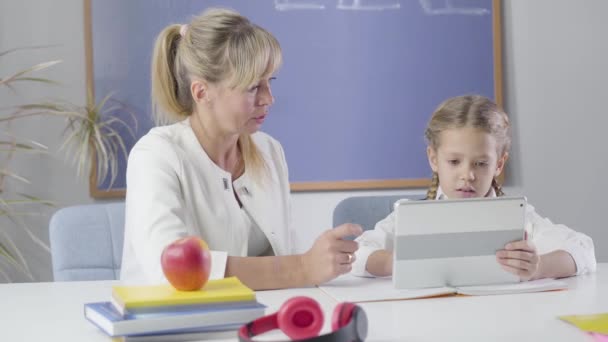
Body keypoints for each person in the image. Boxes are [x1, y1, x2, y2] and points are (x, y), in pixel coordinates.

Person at [120, 8, 362, 290]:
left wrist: (318, 262)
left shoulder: (270, 151)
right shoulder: (156, 155)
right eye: (252, 88)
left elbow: (283, 255)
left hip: (258, 318)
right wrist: (303, 266)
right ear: (201, 92)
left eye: (269, 82)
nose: (268, 99)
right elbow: (171, 271)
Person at [352, 95, 596, 280]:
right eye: (454, 161)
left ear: (499, 164)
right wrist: (394, 263)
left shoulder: (516, 216)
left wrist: (539, 266)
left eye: (481, 163)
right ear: (434, 159)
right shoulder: (409, 218)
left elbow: (583, 250)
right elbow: (356, 254)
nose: (467, 175)